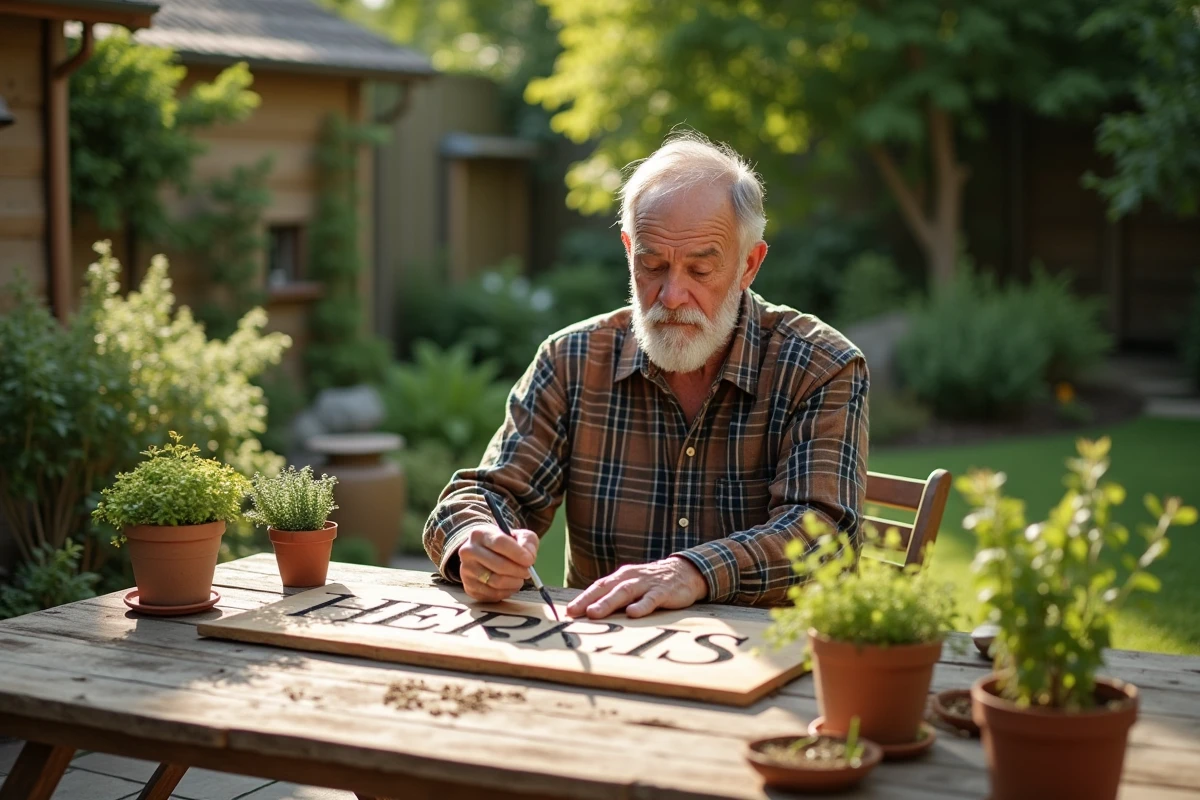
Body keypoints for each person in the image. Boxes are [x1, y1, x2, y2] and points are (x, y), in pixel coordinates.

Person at [423, 132, 868, 620]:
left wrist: (692, 572)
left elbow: (822, 536)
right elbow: (486, 493)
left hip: (768, 664)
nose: (671, 295)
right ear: (628, 249)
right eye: (652, 265)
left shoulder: (820, 366)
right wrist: (477, 542)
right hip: (606, 652)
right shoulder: (572, 359)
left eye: (700, 270)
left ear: (749, 265)